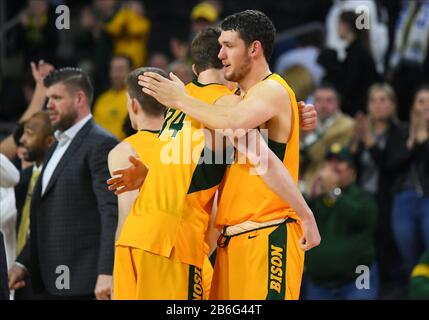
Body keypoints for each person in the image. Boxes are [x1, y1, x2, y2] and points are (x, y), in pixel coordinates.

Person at [109, 25, 318, 300]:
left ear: (194, 70)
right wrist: (305, 213)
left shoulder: (177, 106)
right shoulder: (224, 106)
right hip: (173, 243)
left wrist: (151, 173)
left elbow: (190, 162)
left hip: (133, 239)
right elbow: (259, 155)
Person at [8, 68, 118, 300]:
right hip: (48, 282)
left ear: (79, 99)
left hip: (86, 284)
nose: (49, 104)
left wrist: (106, 272)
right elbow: (45, 215)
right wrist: (22, 263)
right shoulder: (56, 144)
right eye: (48, 98)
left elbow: (111, 213)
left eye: (57, 98)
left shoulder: (101, 143)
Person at [305, 144, 379, 300]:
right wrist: (311, 193)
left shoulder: (362, 196)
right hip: (319, 284)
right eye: (329, 162)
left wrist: (333, 192)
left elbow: (361, 218)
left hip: (358, 278)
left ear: (352, 170)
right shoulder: (316, 199)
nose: (333, 167)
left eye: (339, 162)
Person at [14, 111, 55, 299]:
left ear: (49, 141)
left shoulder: (55, 179)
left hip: (52, 276)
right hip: (19, 276)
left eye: (29, 133)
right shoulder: (23, 180)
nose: (22, 139)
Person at [389, 84, 429, 274]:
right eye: (421, 101)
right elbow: (390, 165)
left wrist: (423, 141)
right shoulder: (400, 132)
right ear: (413, 106)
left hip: (428, 199)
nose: (426, 106)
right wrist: (411, 142)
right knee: (407, 249)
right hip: (402, 197)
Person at [300, 83, 354, 195]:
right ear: (313, 103)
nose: (323, 105)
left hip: (335, 185)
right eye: (319, 100)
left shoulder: (347, 126)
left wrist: (308, 137)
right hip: (306, 181)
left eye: (329, 100)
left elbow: (322, 156)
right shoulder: (308, 124)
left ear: (338, 104)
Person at [93, 55, 133, 140]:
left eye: (120, 70)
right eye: (113, 70)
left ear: (130, 71)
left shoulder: (135, 98)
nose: (116, 75)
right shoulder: (102, 99)